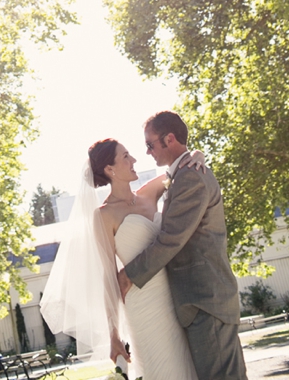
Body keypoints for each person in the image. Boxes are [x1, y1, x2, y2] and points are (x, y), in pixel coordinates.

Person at [40, 133, 204, 379]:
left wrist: (198, 155)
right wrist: (113, 334)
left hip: (176, 297)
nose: (135, 160)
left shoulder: (149, 194)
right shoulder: (103, 216)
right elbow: (108, 277)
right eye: (126, 156)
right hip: (143, 305)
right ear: (110, 169)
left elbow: (181, 167)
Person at [118, 111, 247, 380]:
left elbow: (171, 238)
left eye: (150, 144)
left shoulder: (189, 177)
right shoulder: (182, 174)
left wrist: (129, 274)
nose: (147, 152)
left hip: (206, 301)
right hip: (201, 302)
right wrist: (197, 152)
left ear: (170, 139)